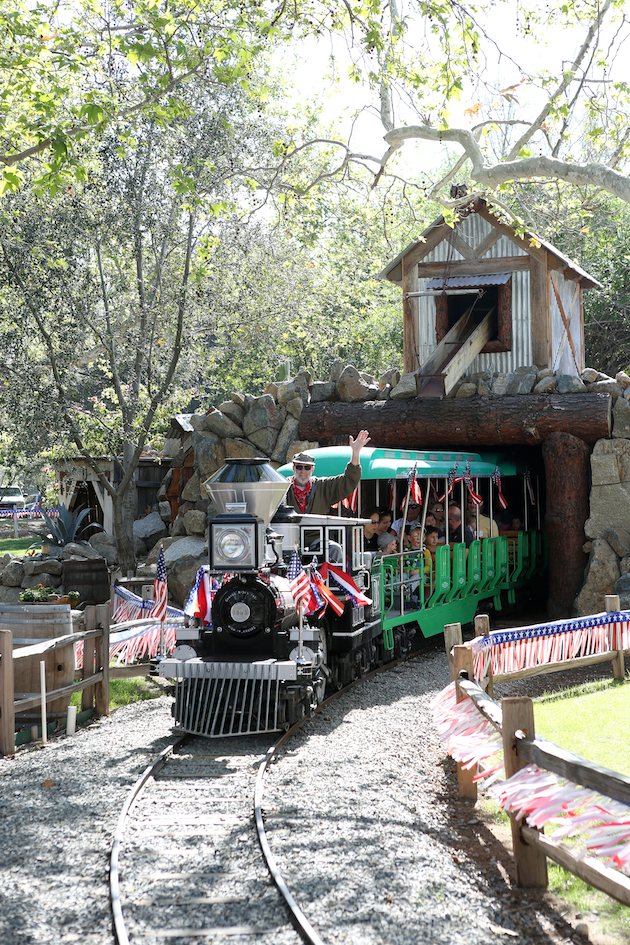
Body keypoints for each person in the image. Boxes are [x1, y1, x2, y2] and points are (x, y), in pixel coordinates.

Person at [285, 430, 371, 514]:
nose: (303, 471)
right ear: (293, 468)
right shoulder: (283, 487)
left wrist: (356, 452)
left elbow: (348, 481)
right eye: (299, 467)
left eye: (307, 467)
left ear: (312, 470)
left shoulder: (322, 486)